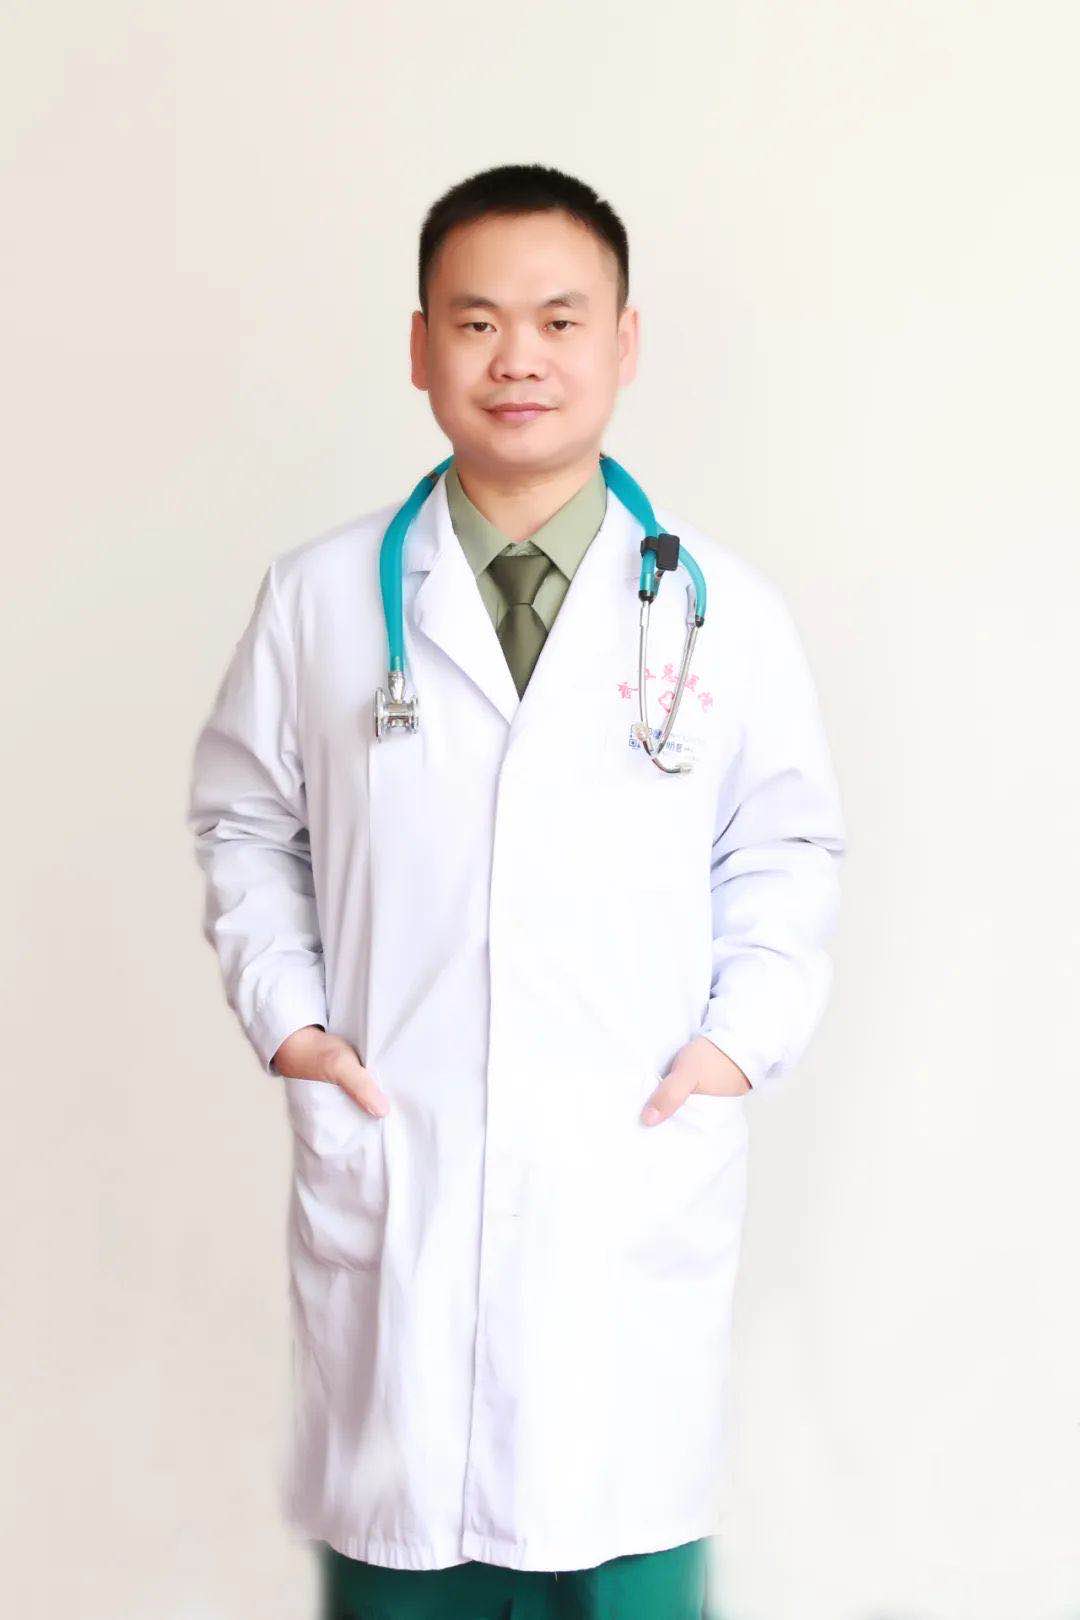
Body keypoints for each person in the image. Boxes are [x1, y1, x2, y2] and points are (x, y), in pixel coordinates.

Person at [186, 162, 847, 1620]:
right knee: (403, 1578)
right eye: (478, 322)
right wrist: (293, 1022)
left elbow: (786, 852)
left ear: (625, 342)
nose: (519, 359)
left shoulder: (724, 616)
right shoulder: (321, 600)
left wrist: (734, 1047)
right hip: (400, 1198)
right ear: (421, 348)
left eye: (560, 319)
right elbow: (244, 822)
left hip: (628, 1195)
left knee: (623, 1562)